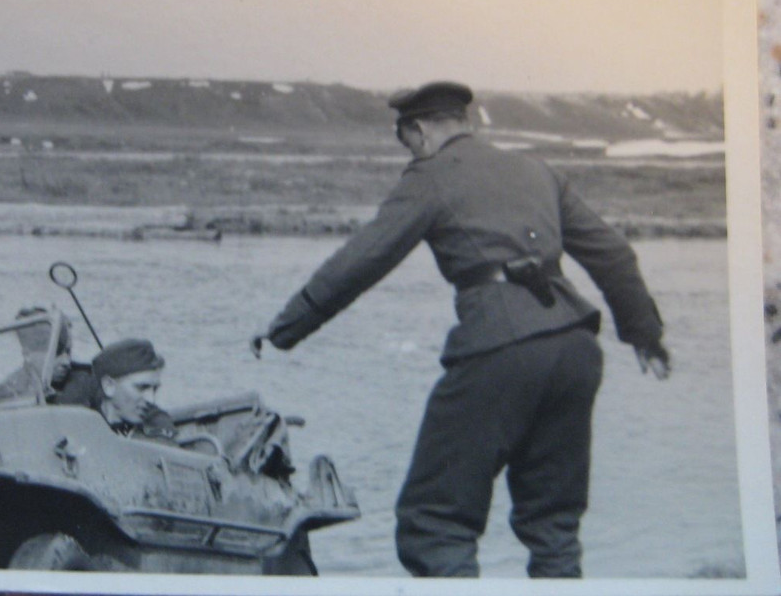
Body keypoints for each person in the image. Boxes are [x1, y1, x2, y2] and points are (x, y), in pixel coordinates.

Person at [253, 81, 671, 579]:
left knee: (433, 521)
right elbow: (613, 253)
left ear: (420, 130)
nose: (411, 153)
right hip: (576, 348)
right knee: (553, 524)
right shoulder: (537, 170)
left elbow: (362, 260)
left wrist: (285, 326)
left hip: (500, 347)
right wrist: (644, 333)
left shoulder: (430, 177)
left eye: (407, 142)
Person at [88, 338, 177, 443]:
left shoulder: (158, 425)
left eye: (153, 389)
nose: (150, 399)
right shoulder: (82, 425)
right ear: (109, 386)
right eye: (141, 387)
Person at [0, 310, 75, 403]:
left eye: (68, 353)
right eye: (55, 353)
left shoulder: (78, 383)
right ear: (27, 354)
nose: (66, 362)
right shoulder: (7, 392)